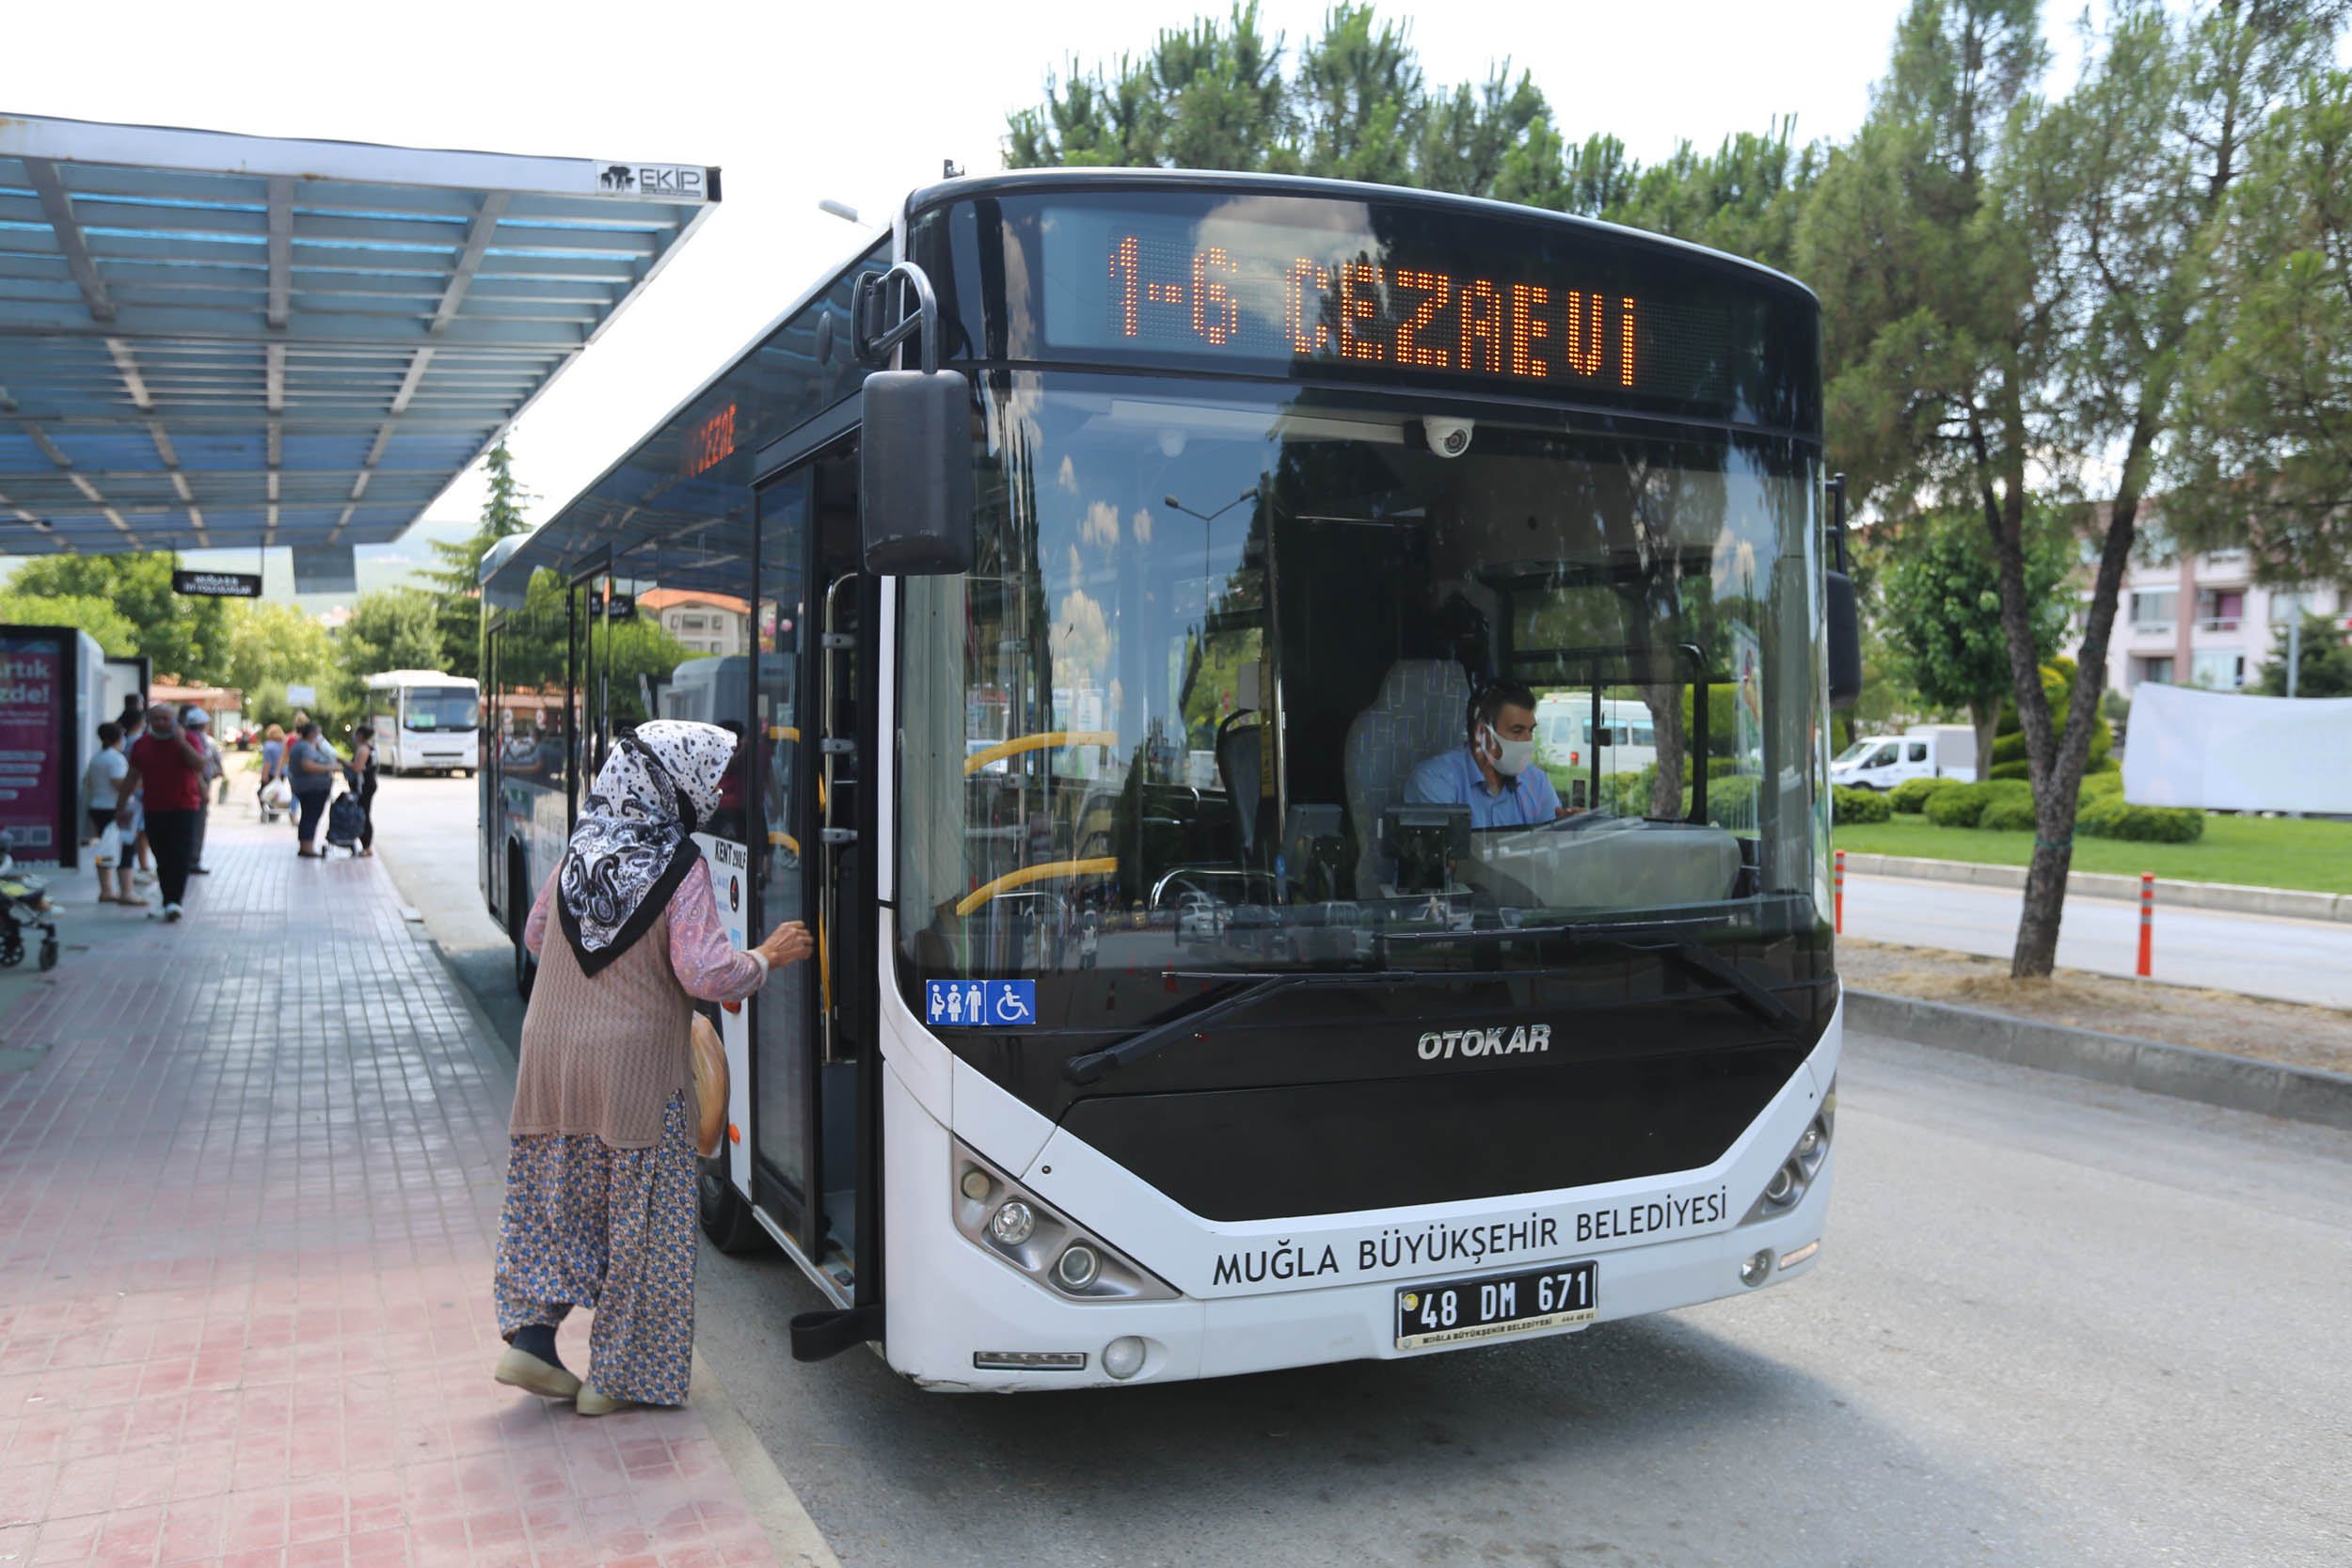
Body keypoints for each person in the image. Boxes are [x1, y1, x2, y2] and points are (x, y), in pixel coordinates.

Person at [493, 721, 812, 1416]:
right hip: (635, 1069)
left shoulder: (581, 845)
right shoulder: (679, 863)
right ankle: (618, 1377)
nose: (714, 794)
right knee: (641, 1220)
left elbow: (537, 934)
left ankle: (533, 1338)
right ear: (674, 785)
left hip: (550, 1058)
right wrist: (767, 956)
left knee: (558, 1197)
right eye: (707, 779)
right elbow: (706, 973)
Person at [1404, 680, 1575, 829]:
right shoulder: (1435, 780)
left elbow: (1551, 848)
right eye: (1517, 731)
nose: (1528, 741)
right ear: (1482, 734)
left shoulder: (1536, 782)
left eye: (1531, 731)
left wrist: (1572, 831)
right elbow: (1447, 854)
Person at [119, 704, 207, 922]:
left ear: (174, 720)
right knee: (161, 855)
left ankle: (174, 902)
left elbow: (200, 764)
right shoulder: (142, 744)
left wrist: (181, 742)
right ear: (149, 721)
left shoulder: (189, 739)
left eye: (165, 719)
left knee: (180, 854)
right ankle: (168, 900)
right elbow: (132, 776)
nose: (160, 723)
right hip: (153, 807)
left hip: (185, 806)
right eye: (156, 718)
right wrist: (120, 806)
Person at [82, 722, 139, 907]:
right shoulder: (116, 759)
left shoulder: (97, 757)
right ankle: (127, 891)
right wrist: (139, 781)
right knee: (125, 849)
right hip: (115, 809)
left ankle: (106, 889)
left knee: (105, 848)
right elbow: (120, 785)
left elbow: (87, 782)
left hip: (99, 806)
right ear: (119, 738)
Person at [286, 721, 340, 857]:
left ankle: (306, 846)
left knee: (308, 816)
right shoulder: (304, 747)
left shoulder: (303, 746)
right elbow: (307, 765)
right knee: (310, 817)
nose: (320, 736)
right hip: (312, 789)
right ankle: (307, 847)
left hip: (310, 788)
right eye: (318, 733)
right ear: (311, 733)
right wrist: (330, 768)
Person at [182, 708, 224, 875]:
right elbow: (200, 768)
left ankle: (188, 859)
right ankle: (192, 860)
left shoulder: (185, 739)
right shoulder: (201, 741)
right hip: (198, 787)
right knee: (197, 824)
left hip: (189, 788)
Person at [348, 724, 379, 856]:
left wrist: (343, 762)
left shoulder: (363, 749)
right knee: (364, 813)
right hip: (367, 785)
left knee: (363, 814)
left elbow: (357, 767)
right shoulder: (369, 748)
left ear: (360, 735)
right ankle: (366, 845)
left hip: (364, 786)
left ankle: (367, 846)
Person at [257, 722, 286, 805]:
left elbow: (267, 762)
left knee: (263, 793)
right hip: (281, 773)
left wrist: (264, 775)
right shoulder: (283, 744)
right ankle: (273, 810)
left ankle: (266, 810)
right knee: (275, 794)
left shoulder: (268, 745)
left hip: (271, 773)